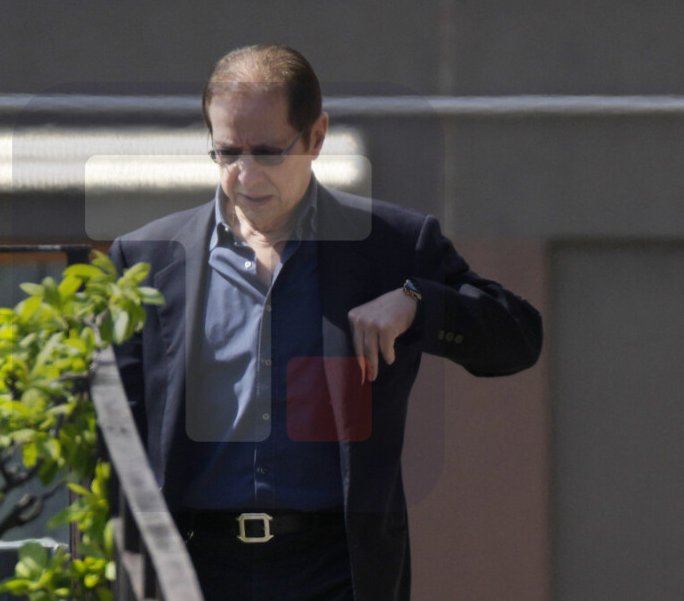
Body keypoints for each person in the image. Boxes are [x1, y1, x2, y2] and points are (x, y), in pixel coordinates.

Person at [109, 44, 542, 601]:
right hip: (190, 569)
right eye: (227, 152)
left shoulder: (391, 246)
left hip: (336, 570)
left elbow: (517, 338)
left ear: (316, 137)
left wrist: (416, 301)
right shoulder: (146, 259)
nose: (245, 175)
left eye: (268, 153)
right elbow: (106, 429)